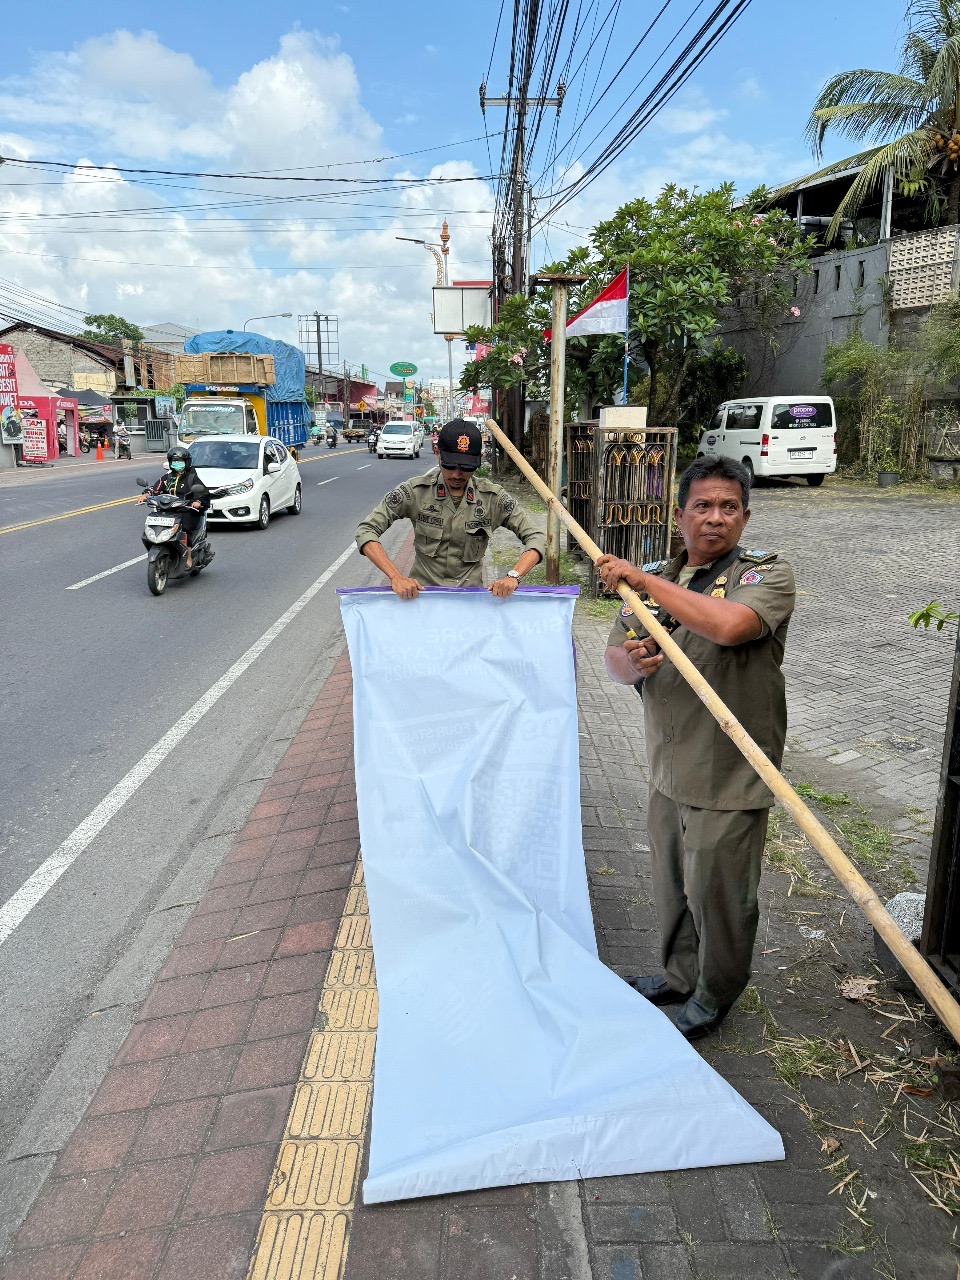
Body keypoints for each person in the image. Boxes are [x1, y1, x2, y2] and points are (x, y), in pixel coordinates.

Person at [597, 456, 796, 1041]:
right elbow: (614, 656)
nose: (715, 519)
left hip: (730, 771)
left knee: (720, 894)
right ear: (679, 515)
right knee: (671, 883)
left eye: (728, 507)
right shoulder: (658, 575)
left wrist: (646, 582)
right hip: (668, 762)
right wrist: (628, 663)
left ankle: (714, 993)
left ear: (745, 515)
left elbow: (731, 627)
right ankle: (679, 976)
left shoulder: (766, 574)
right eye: (702, 507)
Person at [356, 418, 545, 598]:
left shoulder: (492, 498)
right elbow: (366, 530)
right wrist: (396, 577)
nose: (457, 474)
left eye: (466, 467)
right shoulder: (414, 492)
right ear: (437, 452)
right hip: (422, 601)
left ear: (479, 458)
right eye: (450, 465)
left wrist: (514, 576)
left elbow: (536, 538)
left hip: (470, 605)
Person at [137, 445, 209, 570]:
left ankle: (188, 557)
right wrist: (146, 495)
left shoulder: (192, 478)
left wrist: (197, 502)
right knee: (153, 519)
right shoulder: (167, 478)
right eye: (174, 462)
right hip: (168, 511)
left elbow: (202, 494)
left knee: (184, 528)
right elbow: (155, 489)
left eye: (180, 462)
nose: (177, 464)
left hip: (186, 511)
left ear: (186, 462)